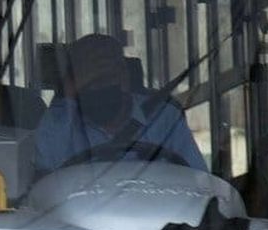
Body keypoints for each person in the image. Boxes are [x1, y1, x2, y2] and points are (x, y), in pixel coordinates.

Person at [33, 33, 206, 178]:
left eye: (105, 79)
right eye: (89, 83)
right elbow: (44, 175)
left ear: (124, 75)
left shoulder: (163, 117)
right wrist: (69, 91)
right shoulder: (63, 122)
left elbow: (198, 178)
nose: (98, 88)